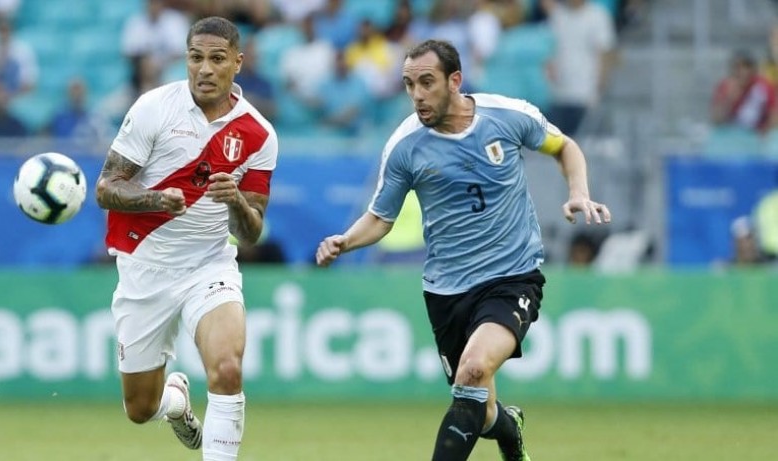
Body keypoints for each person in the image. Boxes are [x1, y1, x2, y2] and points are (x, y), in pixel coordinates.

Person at [315, 39, 611, 461]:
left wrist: (579, 192)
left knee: (473, 371)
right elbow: (381, 217)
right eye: (409, 84)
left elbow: (564, 146)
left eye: (427, 82)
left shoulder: (508, 116)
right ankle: (511, 433)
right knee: (481, 408)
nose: (417, 95)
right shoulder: (405, 147)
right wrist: (345, 240)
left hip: (512, 276)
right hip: (446, 290)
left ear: (455, 80)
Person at [94, 16, 278, 461]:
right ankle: (176, 403)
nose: (205, 69)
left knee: (228, 369)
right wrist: (157, 199)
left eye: (217, 59)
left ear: (238, 62)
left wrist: (235, 201)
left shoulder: (258, 135)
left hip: (209, 266)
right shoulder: (155, 107)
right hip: (145, 269)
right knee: (140, 409)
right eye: (196, 58)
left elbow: (250, 234)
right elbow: (105, 187)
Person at [542, 0, 616, 136]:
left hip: (585, 94)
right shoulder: (557, 16)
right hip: (558, 94)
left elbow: (604, 53)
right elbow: (549, 49)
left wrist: (600, 84)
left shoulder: (598, 16)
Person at [711, 50, 777, 134]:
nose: (743, 72)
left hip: (756, 135)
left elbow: (774, 115)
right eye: (738, 67)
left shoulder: (764, 87)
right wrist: (729, 99)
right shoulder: (725, 86)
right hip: (731, 134)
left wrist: (764, 132)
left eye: (746, 67)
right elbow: (716, 120)